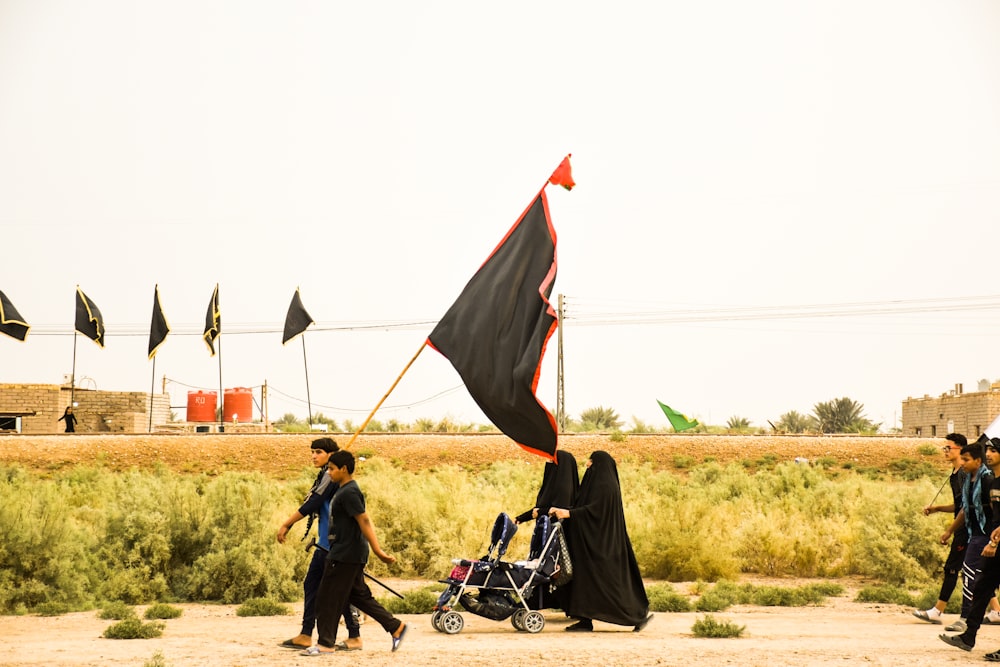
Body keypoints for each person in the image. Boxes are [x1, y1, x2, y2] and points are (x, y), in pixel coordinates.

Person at [303, 450, 408, 656]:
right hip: (348, 553)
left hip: (345, 554)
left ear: (343, 469)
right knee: (359, 597)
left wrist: (378, 550)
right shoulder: (343, 490)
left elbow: (364, 520)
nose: (329, 473)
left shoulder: (349, 492)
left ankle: (325, 644)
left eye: (332, 469)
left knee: (326, 597)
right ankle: (396, 627)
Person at [549, 450, 653, 632]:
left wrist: (570, 513)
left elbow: (595, 511)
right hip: (590, 545)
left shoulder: (605, 486)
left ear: (599, 464)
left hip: (603, 546)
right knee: (586, 582)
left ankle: (636, 616)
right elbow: (584, 506)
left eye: (591, 460)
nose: (587, 464)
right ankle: (584, 619)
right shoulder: (598, 484)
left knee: (610, 585)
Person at [276, 437, 362, 650]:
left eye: (319, 452)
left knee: (336, 590)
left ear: (331, 455)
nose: (314, 456)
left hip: (332, 545)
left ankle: (348, 635)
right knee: (327, 587)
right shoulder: (328, 474)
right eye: (312, 452)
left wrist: (287, 523)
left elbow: (314, 501)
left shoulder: (329, 476)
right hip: (328, 543)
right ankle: (313, 634)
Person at [940, 438, 1000, 658]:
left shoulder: (989, 481)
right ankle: (968, 635)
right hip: (985, 538)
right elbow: (967, 509)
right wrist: (950, 530)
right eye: (989, 450)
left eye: (994, 451)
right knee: (982, 586)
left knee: (975, 578)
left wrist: (993, 541)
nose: (990, 454)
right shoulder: (984, 482)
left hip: (990, 539)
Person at [515, 450, 579, 524]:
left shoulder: (564, 489)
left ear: (562, 465)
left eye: (551, 460)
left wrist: (540, 512)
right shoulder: (552, 485)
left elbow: (559, 509)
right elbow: (540, 508)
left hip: (556, 532)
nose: (548, 462)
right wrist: (520, 518)